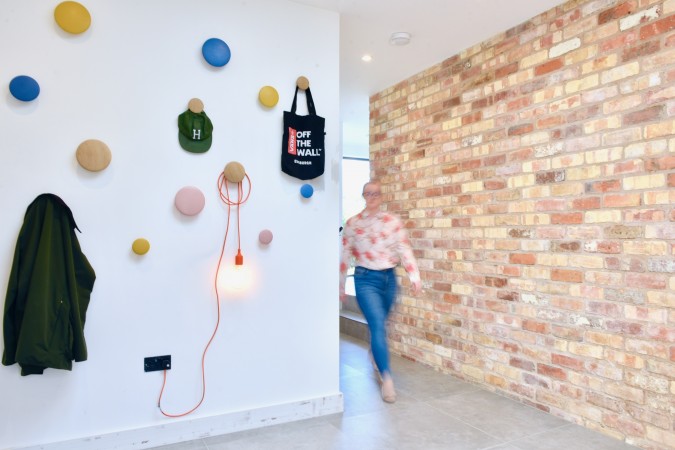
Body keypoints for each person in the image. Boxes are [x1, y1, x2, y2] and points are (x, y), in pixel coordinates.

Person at [340, 181, 421, 403]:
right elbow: (345, 255)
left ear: (381, 196)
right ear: (363, 196)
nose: (372, 197)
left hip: (389, 279)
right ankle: (387, 379)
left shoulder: (392, 222)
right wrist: (340, 285)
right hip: (365, 279)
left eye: (376, 193)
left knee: (382, 325)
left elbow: (404, 249)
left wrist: (414, 275)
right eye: (368, 193)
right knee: (376, 324)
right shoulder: (353, 224)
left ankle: (376, 353)